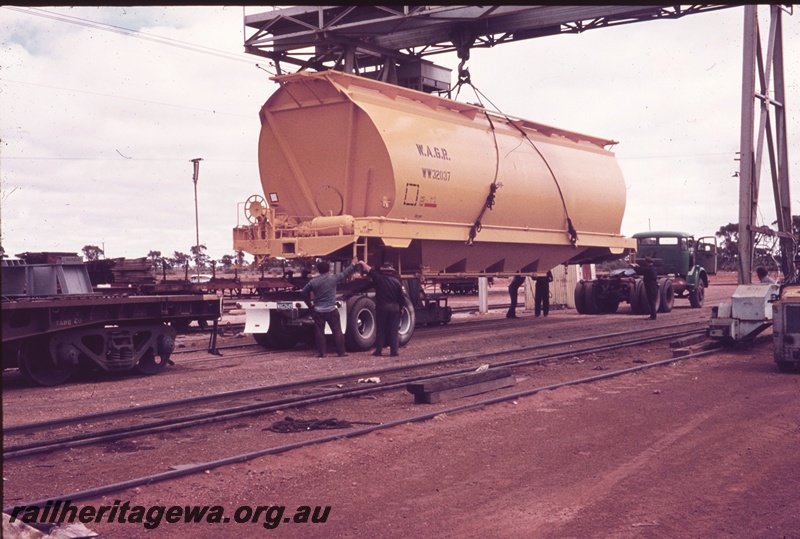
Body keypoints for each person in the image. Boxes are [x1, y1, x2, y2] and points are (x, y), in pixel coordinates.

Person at [301, 257, 358, 358]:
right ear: (328, 270)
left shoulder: (313, 282)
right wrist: (353, 264)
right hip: (331, 310)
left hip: (318, 310)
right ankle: (341, 352)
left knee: (319, 332)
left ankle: (322, 353)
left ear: (319, 270)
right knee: (337, 331)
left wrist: (309, 304)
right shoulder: (333, 278)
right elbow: (345, 273)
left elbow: (303, 292)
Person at [359, 261, 406, 357]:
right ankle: (394, 352)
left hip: (382, 308)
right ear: (391, 271)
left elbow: (369, 270)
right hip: (394, 308)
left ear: (383, 271)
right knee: (394, 330)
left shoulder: (378, 279)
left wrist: (361, 262)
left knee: (381, 330)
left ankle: (378, 351)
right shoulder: (397, 282)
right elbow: (401, 297)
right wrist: (402, 307)